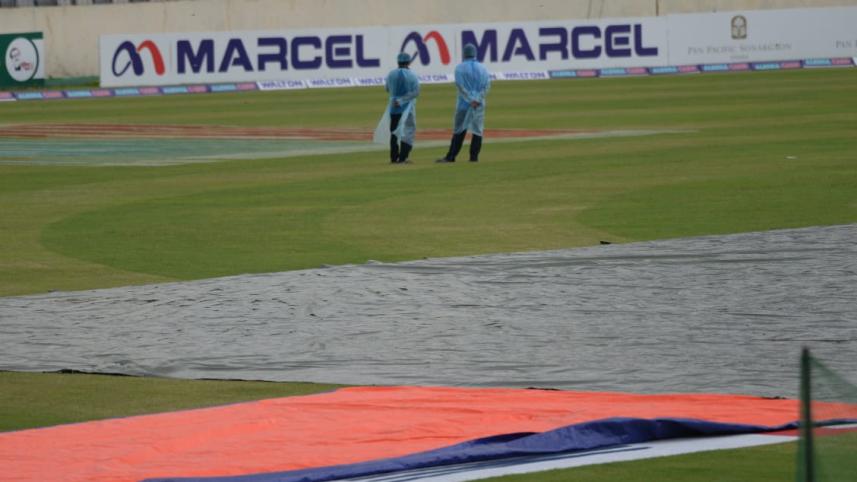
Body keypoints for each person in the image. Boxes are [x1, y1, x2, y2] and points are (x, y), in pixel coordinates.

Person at [436, 43, 491, 163]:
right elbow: (487, 86)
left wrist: (470, 99)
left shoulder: (459, 68)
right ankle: (474, 158)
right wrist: (477, 99)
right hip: (479, 104)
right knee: (478, 130)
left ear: (464, 54)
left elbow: (460, 87)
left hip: (464, 103)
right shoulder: (483, 68)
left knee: (459, 129)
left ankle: (451, 156)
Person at [385, 52, 420, 164]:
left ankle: (394, 157)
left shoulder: (391, 74)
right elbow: (416, 92)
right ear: (408, 62)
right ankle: (403, 157)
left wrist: (396, 97)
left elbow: (387, 88)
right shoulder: (412, 75)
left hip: (393, 106)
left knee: (394, 132)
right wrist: (402, 100)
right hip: (407, 107)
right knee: (408, 130)